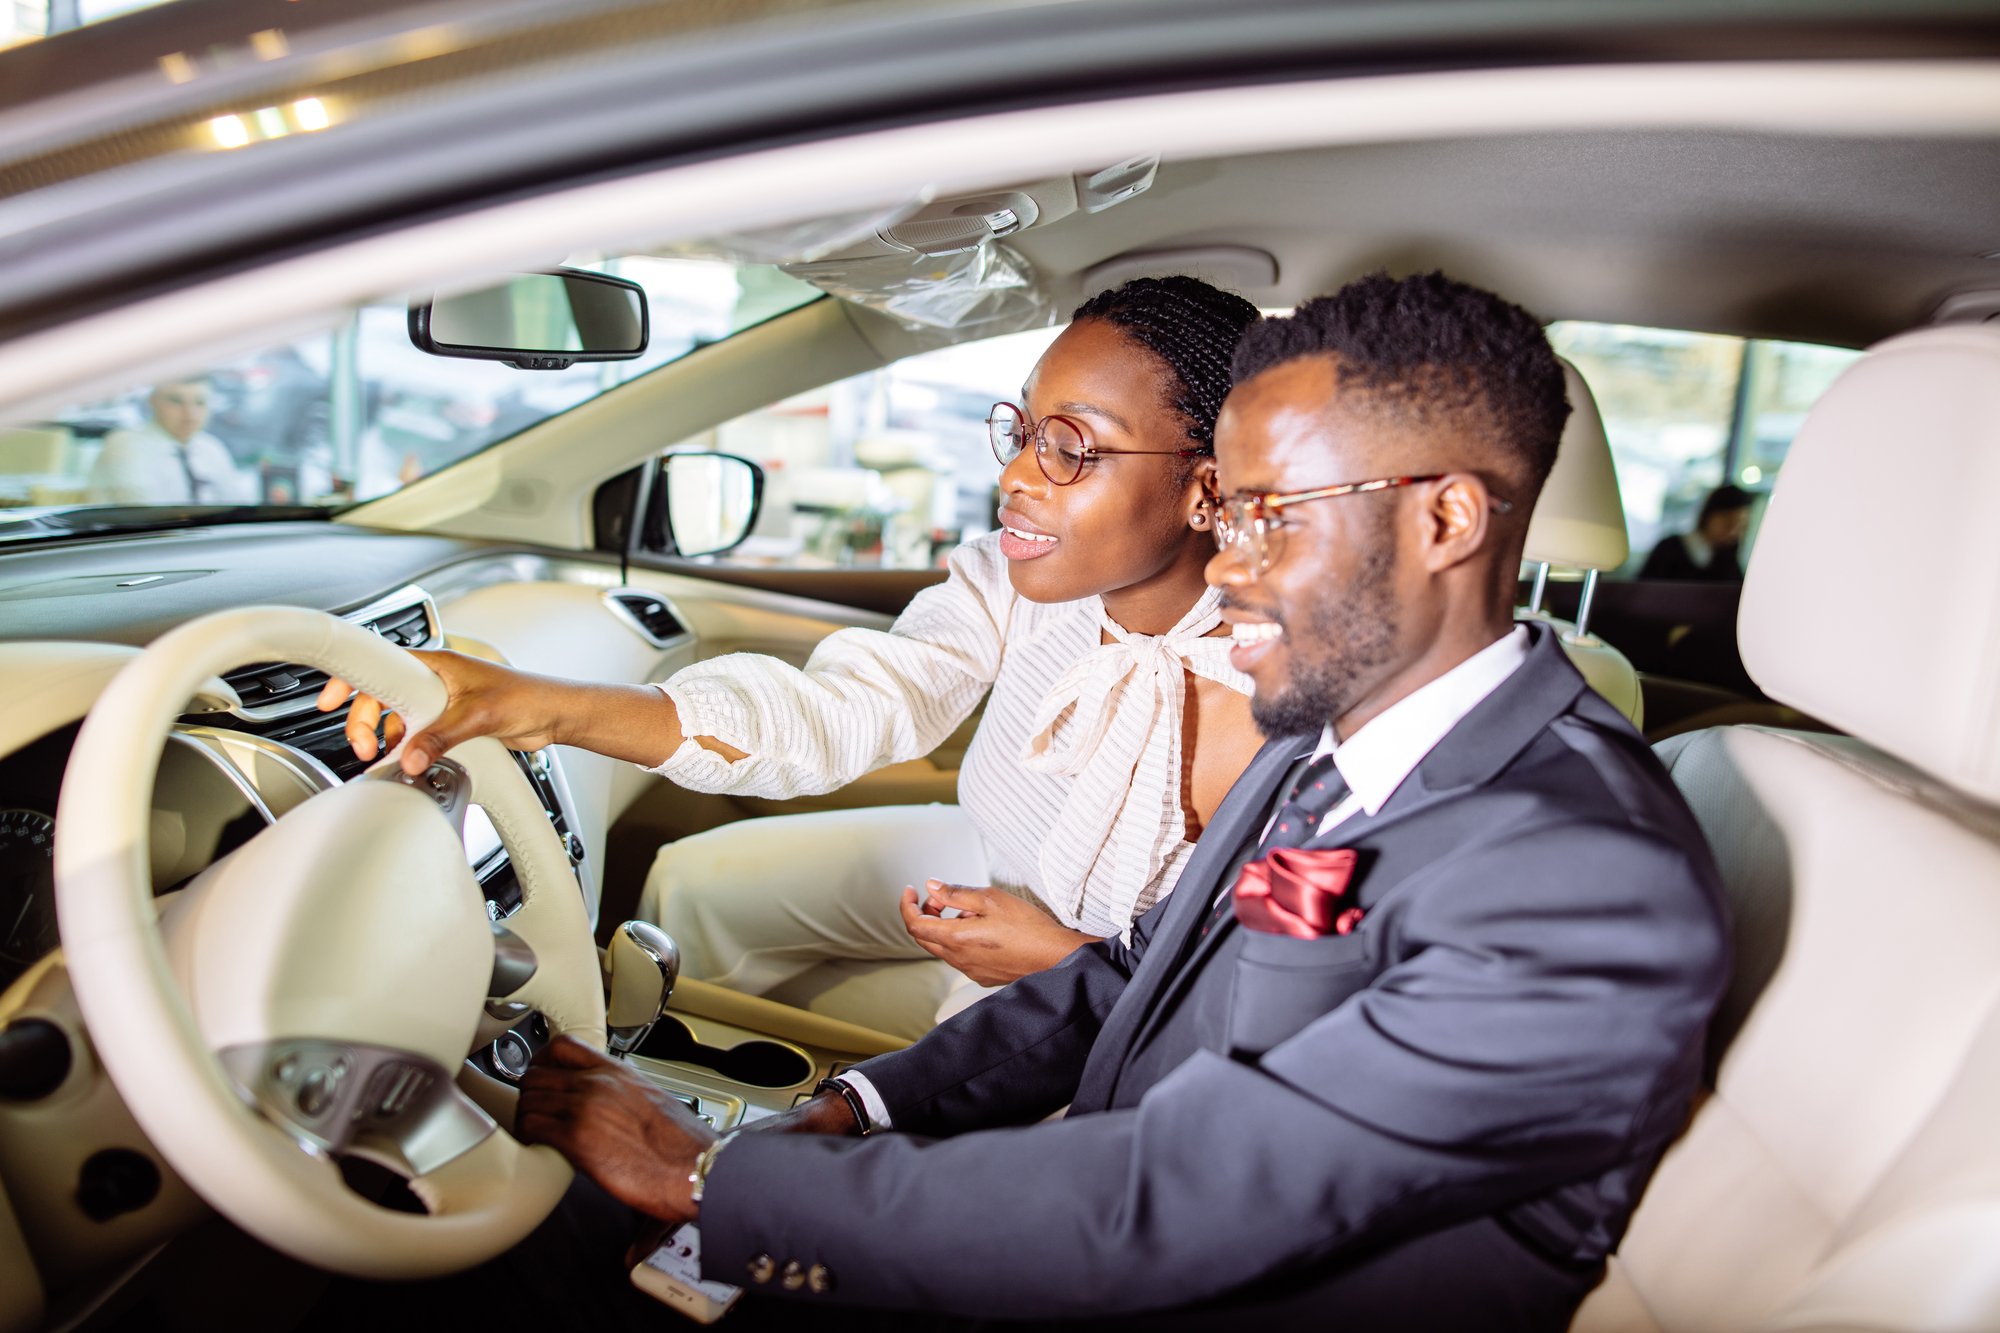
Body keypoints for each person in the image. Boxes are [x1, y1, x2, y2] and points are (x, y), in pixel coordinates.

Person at [368, 271, 1730, 1332]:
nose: (1228, 562)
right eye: (1227, 508)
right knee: (518, 1214)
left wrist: (714, 1180)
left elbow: (1179, 1203)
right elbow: (1133, 979)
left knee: (490, 1261)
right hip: (1103, 1210)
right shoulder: (1363, 741)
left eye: (1270, 516)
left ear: (1442, 523)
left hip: (1183, 1283)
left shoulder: (1580, 877)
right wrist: (858, 1113)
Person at [321, 276, 1269, 1038]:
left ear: (1205, 487)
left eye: (1070, 448)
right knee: (689, 888)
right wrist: (536, 703)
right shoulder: (1012, 583)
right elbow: (840, 710)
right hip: (989, 851)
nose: (1015, 475)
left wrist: (1067, 962)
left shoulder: (1281, 684)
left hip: (1110, 985)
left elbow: (1262, 991)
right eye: (1021, 431)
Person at [85, 377, 257, 505]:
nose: (190, 414)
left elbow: (236, 507)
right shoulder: (125, 445)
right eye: (176, 401)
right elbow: (149, 516)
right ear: (153, 401)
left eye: (200, 402)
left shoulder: (211, 448)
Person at [1639, 482, 1754, 580]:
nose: (1733, 531)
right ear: (1709, 515)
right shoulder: (1669, 548)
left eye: (1741, 526)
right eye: (1728, 522)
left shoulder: (1729, 560)